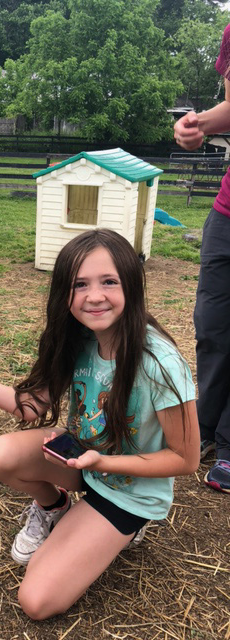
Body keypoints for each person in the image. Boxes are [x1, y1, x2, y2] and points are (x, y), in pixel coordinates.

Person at [0, 229, 200, 620]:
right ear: (65, 292)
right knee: (0, 455)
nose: (94, 296)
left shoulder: (159, 362)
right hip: (84, 461)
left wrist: (102, 463)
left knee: (37, 601)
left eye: (108, 281)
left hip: (129, 488)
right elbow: (29, 407)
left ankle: (130, 527)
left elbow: (185, 460)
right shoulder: (78, 338)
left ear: (131, 283)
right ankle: (56, 506)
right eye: (80, 284)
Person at [174, 23, 230, 493]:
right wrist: (198, 124)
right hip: (227, 213)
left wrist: (205, 121)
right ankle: (206, 427)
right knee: (211, 325)